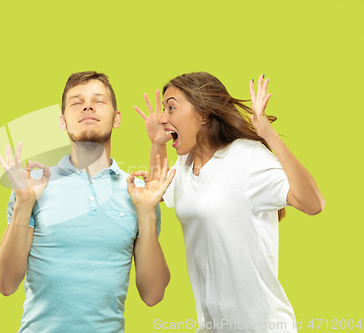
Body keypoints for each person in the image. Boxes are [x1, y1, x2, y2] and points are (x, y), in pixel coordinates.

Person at [135, 72, 325, 332]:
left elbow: (313, 204)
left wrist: (269, 135)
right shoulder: (184, 166)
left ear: (203, 114)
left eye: (171, 107)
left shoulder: (246, 157)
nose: (163, 117)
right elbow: (159, 192)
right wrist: (158, 143)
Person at [0, 71, 175, 333]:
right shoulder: (32, 186)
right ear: (63, 122)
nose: (87, 106)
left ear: (117, 118)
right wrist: (23, 203)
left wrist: (147, 213)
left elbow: (153, 294)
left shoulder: (139, 193)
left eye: (99, 101)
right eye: (76, 102)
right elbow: (5, 284)